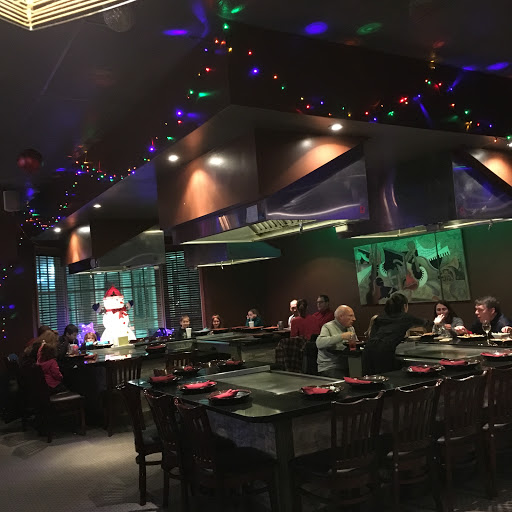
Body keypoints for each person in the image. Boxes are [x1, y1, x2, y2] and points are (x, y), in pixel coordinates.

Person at [362, 293, 427, 375]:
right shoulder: (405, 317)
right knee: (387, 378)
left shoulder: (380, 318)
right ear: (405, 306)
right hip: (384, 351)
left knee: (369, 379)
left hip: (368, 350)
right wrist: (437, 322)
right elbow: (424, 322)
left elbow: (372, 335)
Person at [316, 305, 357, 378]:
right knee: (346, 380)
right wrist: (342, 336)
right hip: (330, 366)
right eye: (350, 316)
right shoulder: (328, 326)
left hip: (347, 364)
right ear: (341, 316)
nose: (354, 319)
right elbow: (319, 343)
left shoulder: (351, 328)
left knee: (359, 376)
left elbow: (355, 344)